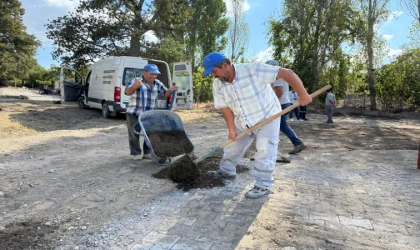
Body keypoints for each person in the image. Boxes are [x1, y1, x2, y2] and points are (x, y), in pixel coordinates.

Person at [203, 52, 311, 199]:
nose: (213, 76)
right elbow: (225, 108)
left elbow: (287, 73)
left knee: (265, 150)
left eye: (214, 71)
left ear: (225, 65)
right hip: (243, 120)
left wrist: (303, 94)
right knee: (233, 145)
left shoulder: (253, 69)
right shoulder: (218, 84)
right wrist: (232, 130)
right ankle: (227, 171)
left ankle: (263, 185)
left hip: (268, 117)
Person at [124, 64, 178, 160]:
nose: (154, 76)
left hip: (149, 114)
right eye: (152, 74)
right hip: (134, 112)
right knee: (134, 133)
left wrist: (171, 90)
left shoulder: (157, 83)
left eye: (155, 74)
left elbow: (165, 94)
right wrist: (135, 86)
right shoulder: (135, 81)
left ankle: (147, 152)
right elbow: (127, 92)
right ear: (144, 72)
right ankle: (136, 153)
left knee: (149, 133)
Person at [266, 60, 307, 155]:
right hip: (284, 103)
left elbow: (279, 91)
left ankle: (297, 143)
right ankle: (297, 143)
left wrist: (271, 103)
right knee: (280, 124)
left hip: (281, 104)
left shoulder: (277, 76)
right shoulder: (280, 75)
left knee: (277, 124)